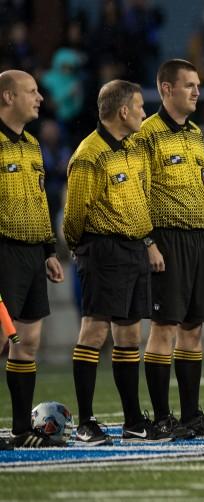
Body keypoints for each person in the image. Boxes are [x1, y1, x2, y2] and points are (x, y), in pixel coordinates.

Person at [64, 79, 172, 444]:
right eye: (140, 106)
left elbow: (139, 201)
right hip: (103, 250)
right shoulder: (88, 154)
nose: (145, 112)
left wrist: (146, 242)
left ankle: (131, 421)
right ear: (123, 111)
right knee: (94, 332)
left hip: (134, 250)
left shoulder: (134, 149)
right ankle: (85, 422)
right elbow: (74, 215)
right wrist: (86, 249)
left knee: (129, 336)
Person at [137, 59, 204, 439]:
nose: (196, 91)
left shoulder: (195, 134)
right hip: (166, 239)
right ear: (165, 89)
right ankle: (162, 417)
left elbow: (203, 186)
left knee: (193, 329)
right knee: (164, 328)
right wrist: (148, 241)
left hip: (197, 240)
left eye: (198, 85)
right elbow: (137, 193)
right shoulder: (147, 134)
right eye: (188, 85)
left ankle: (191, 416)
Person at [0, 70, 66, 448]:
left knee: (28, 340)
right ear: (8, 97)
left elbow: (40, 202)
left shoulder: (31, 145)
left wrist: (47, 251)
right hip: (3, 250)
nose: (40, 97)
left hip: (30, 253)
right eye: (32, 91)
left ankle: (21, 429)